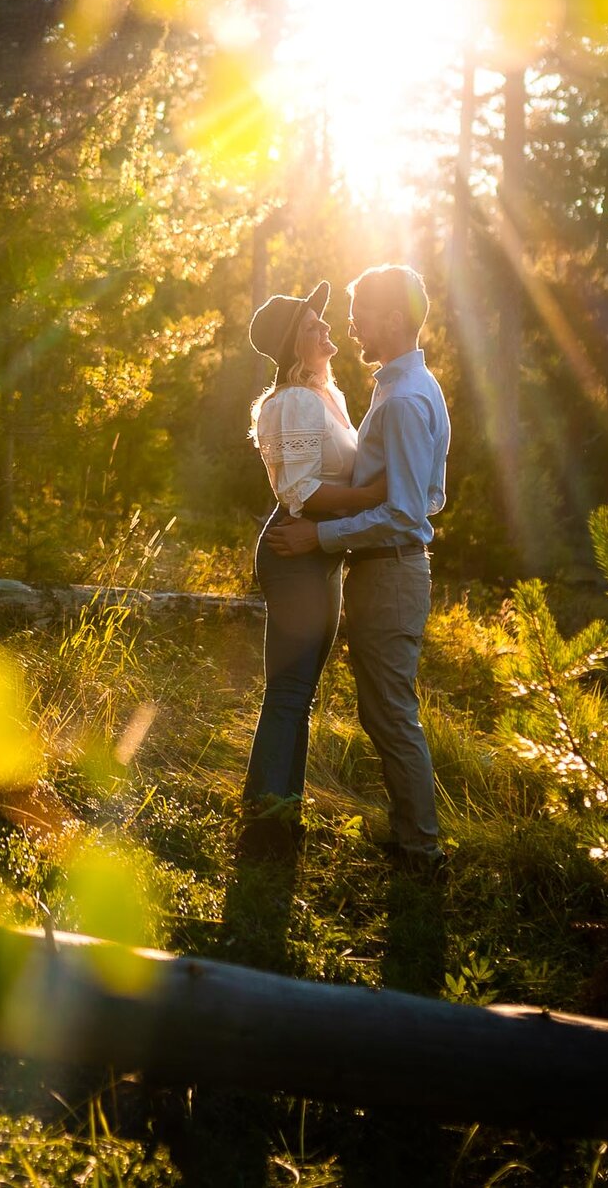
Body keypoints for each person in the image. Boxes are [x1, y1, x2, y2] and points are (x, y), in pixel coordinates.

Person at [266, 263, 451, 868]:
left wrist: (324, 536)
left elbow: (402, 512)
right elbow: (428, 495)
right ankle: (404, 837)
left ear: (392, 319)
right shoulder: (408, 389)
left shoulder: (398, 400)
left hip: (389, 567)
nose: (349, 326)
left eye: (360, 314)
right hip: (380, 567)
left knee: (390, 713)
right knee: (372, 708)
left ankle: (420, 849)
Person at [240, 280, 386, 862]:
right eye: (311, 325)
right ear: (290, 346)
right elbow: (300, 493)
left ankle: (282, 814)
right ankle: (264, 827)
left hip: (319, 552)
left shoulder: (330, 396)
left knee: (300, 694)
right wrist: (378, 495)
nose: (326, 328)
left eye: (322, 320)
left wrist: (366, 499)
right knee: (289, 691)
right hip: (295, 549)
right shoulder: (293, 402)